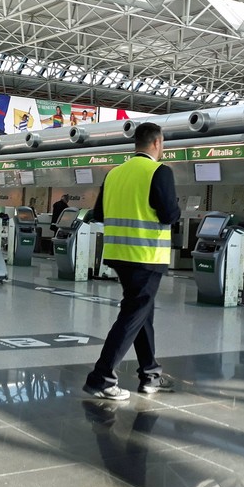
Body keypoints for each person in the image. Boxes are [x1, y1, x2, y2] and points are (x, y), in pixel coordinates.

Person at [83, 122, 181, 401]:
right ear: (157, 143)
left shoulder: (114, 173)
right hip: (147, 256)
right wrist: (178, 207)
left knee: (142, 313)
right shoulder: (159, 171)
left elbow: (99, 213)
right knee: (133, 313)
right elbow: (168, 215)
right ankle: (101, 377)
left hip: (118, 254)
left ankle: (150, 374)